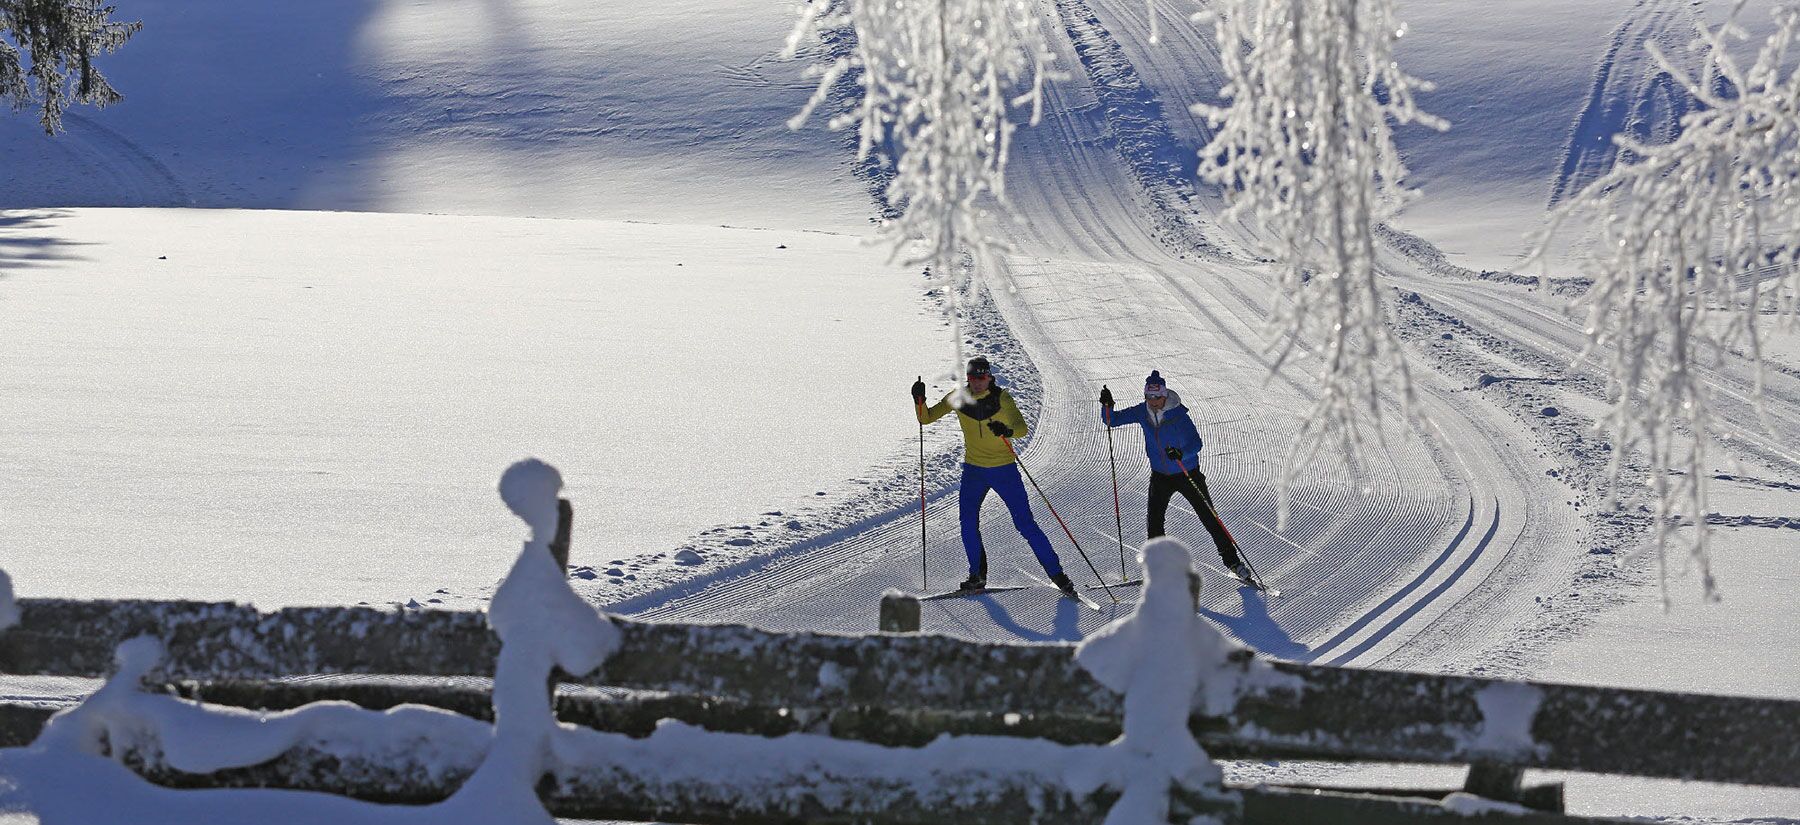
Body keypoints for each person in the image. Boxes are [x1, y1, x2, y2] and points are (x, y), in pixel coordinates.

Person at [913, 357, 1075, 597]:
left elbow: (1021, 428)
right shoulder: (958, 398)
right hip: (974, 471)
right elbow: (925, 418)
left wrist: (1007, 430)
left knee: (1025, 524)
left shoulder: (1002, 398)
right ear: (968, 379)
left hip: (1004, 470)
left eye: (982, 377)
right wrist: (919, 400)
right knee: (967, 523)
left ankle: (1058, 575)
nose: (977, 383)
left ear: (989, 377)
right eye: (973, 378)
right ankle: (977, 576)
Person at [1100, 370, 1252, 582]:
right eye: (1149, 397)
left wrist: (1182, 453)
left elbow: (1196, 443)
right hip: (1160, 475)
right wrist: (1107, 406)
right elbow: (1112, 421)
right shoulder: (1142, 412)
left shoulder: (1178, 415)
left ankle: (1233, 562)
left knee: (1208, 517)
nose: (1153, 402)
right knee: (1154, 521)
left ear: (1165, 395)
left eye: (1157, 397)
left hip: (1186, 473)